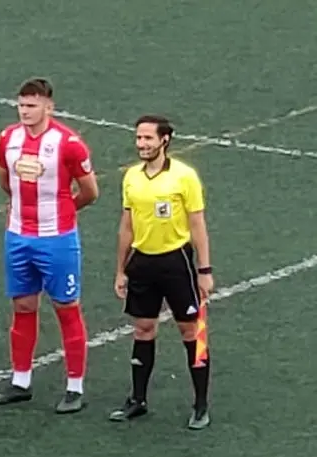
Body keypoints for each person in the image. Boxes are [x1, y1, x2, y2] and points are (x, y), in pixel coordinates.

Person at [0, 78, 99, 414]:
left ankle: (75, 387)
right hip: (18, 237)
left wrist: (63, 212)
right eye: (21, 105)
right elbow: (6, 180)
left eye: (32, 105)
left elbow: (90, 191)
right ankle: (21, 381)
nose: (25, 111)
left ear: (49, 106)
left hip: (57, 240)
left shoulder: (69, 143)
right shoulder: (7, 139)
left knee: (66, 308)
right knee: (22, 307)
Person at [109, 114, 213, 430]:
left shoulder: (185, 177)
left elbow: (197, 225)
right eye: (139, 138)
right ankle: (138, 400)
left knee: (191, 332)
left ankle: (200, 404)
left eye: (148, 139)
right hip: (142, 262)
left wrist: (204, 270)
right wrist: (121, 270)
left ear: (164, 140)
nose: (141, 144)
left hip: (176, 263)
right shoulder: (131, 177)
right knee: (143, 329)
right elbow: (126, 226)